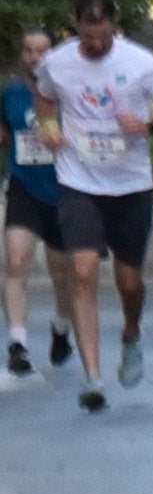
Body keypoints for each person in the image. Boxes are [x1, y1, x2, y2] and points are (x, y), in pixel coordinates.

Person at [35, 0, 153, 411]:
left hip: (131, 185)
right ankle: (93, 377)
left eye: (103, 31)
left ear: (114, 26)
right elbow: (44, 96)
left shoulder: (141, 63)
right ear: (77, 27)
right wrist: (49, 127)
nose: (96, 39)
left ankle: (131, 332)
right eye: (88, 32)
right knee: (83, 269)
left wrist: (149, 127)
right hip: (78, 180)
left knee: (129, 282)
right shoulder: (58, 62)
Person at [4, 27, 70, 379]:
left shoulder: (68, 93)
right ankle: (18, 343)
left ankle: (61, 326)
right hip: (23, 187)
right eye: (29, 51)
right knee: (16, 262)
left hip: (62, 189)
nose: (35, 58)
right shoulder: (12, 94)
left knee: (63, 273)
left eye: (42, 51)